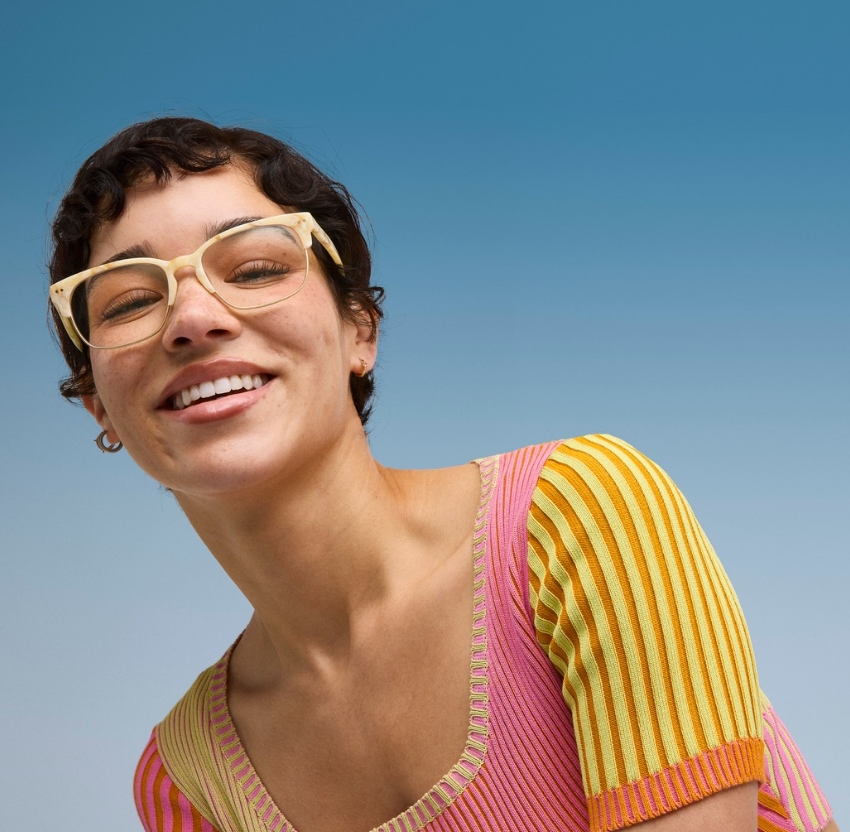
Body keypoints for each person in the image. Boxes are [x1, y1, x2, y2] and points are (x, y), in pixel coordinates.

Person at [48, 117, 838, 832]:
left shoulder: (579, 518)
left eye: (253, 267)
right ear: (99, 410)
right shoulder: (189, 783)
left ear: (361, 331)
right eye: (126, 302)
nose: (194, 318)